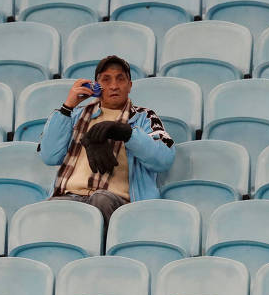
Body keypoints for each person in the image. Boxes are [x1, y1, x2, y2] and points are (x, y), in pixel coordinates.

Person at [38, 55, 175, 226]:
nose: (114, 86)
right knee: (50, 209)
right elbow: (49, 156)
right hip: (69, 196)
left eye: (120, 79)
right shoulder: (74, 116)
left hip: (116, 202)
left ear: (130, 86)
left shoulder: (144, 117)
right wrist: (67, 107)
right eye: (106, 79)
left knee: (100, 199)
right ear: (97, 86)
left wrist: (127, 134)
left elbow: (164, 159)